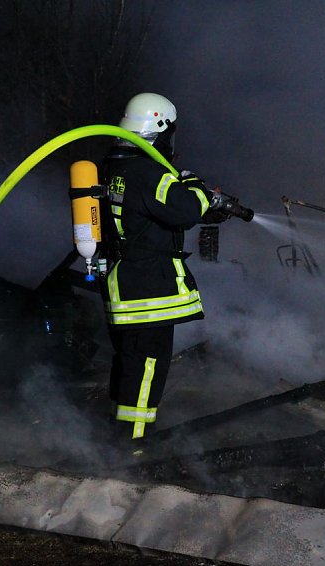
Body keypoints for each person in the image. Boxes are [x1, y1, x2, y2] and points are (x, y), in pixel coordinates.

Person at [99, 93, 230, 448]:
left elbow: (152, 212)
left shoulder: (115, 167)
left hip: (124, 283)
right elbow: (184, 209)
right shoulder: (147, 171)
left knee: (130, 363)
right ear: (162, 130)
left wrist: (201, 203)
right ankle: (134, 445)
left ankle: (119, 435)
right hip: (147, 289)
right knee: (147, 367)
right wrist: (197, 187)